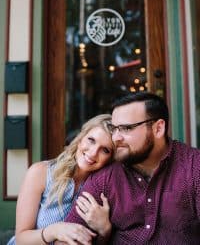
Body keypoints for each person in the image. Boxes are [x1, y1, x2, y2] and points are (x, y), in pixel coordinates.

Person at [62, 92, 200, 244]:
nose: (116, 138)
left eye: (126, 128)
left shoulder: (194, 167)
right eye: (115, 129)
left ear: (158, 129)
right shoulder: (106, 176)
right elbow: (67, 238)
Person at [7, 114, 114, 245]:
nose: (93, 153)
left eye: (105, 150)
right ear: (80, 139)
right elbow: (21, 239)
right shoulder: (40, 172)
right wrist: (54, 230)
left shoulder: (104, 188)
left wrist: (105, 231)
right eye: (91, 140)